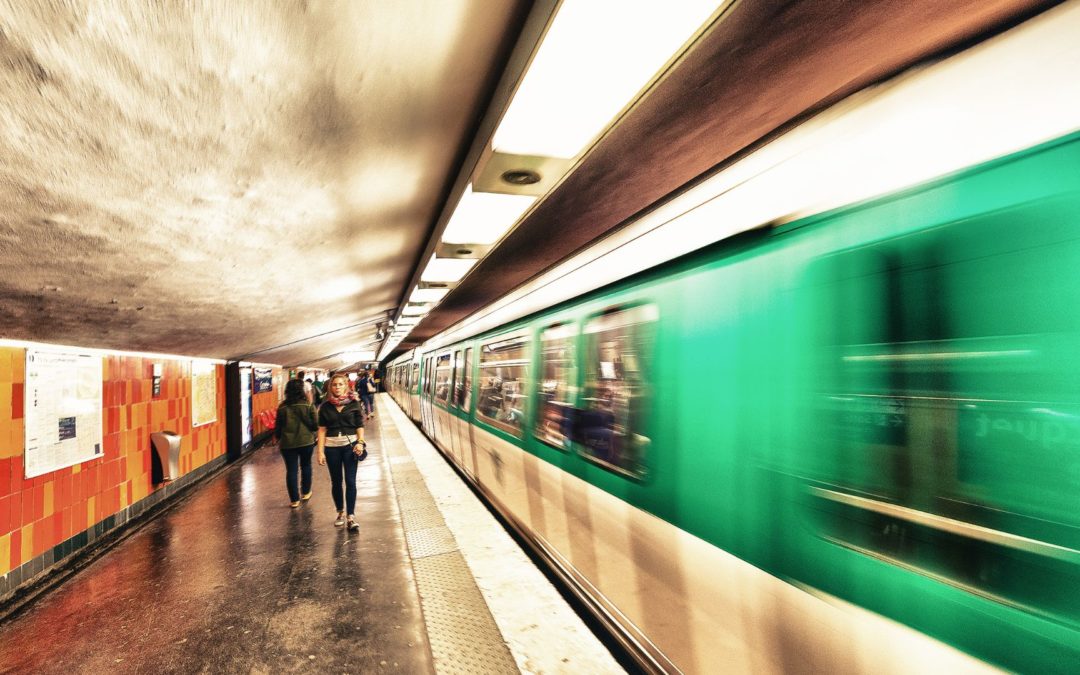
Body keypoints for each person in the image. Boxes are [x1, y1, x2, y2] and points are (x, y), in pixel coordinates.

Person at [317, 373, 366, 531]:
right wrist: (320, 452)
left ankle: (350, 516)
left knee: (350, 481)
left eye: (340, 384)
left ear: (346, 386)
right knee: (336, 482)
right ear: (330, 387)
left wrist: (360, 442)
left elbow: (359, 426)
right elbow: (322, 430)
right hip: (331, 449)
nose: (337, 387)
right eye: (334, 384)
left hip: (350, 447)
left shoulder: (354, 404)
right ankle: (340, 512)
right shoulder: (325, 407)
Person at [274, 379, 318, 508]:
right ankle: (306, 492)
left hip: (288, 444)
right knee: (306, 465)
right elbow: (315, 425)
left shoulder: (282, 407)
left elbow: (278, 427)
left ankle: (294, 500)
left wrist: (278, 437)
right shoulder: (308, 405)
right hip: (306, 442)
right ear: (302, 390)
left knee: (291, 470)